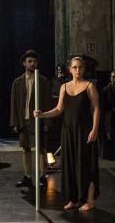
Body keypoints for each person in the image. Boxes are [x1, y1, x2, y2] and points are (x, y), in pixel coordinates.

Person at [35, 56, 101, 211]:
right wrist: (42, 114)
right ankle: (74, 199)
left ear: (84, 69)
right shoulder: (64, 87)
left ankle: (89, 200)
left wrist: (95, 129)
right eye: (75, 67)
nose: (78, 70)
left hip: (85, 131)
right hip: (68, 132)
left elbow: (97, 109)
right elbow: (59, 109)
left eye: (80, 67)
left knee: (87, 165)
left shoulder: (90, 86)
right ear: (70, 69)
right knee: (70, 165)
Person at [9, 50, 51, 189]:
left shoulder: (43, 81)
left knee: (41, 149)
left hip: (38, 120)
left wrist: (47, 122)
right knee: (25, 148)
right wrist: (15, 122)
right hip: (24, 120)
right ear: (24, 63)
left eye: (35, 61)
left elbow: (47, 102)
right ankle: (27, 176)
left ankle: (42, 176)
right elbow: (14, 104)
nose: (33, 64)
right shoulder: (17, 82)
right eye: (30, 61)